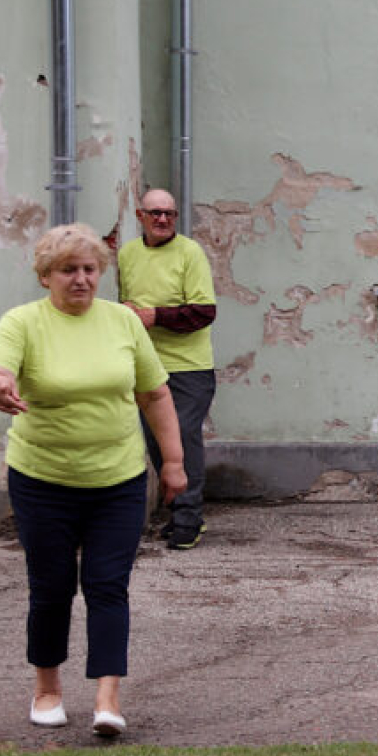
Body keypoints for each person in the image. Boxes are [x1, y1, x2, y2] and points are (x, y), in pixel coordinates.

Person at [0, 223, 187, 738]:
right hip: (42, 479)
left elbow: (155, 394)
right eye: (69, 270)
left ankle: (107, 699)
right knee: (50, 588)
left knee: (107, 586)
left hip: (116, 480)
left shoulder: (121, 322)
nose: (81, 279)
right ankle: (47, 689)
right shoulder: (23, 322)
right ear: (46, 275)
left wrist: (174, 463)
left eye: (90, 269)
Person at [118, 188, 217, 551]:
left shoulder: (190, 253)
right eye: (155, 213)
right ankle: (178, 514)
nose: (162, 220)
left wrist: (154, 316)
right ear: (140, 216)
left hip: (189, 369)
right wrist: (126, 310)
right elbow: (124, 307)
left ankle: (189, 520)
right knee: (158, 443)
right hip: (144, 366)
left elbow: (203, 312)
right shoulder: (128, 254)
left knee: (184, 439)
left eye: (170, 214)